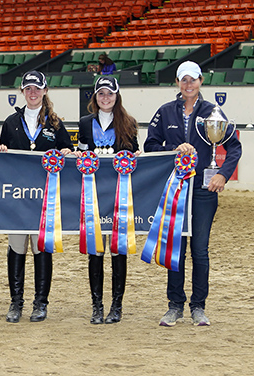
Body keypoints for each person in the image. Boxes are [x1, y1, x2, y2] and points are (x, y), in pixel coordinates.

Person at [144, 61, 242, 326]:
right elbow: (150, 145)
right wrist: (173, 148)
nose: (188, 84)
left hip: (203, 191)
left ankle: (198, 306)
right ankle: (174, 305)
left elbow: (234, 147)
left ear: (201, 81)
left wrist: (223, 173)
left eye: (193, 79)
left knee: (200, 250)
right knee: (175, 248)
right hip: (174, 191)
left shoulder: (213, 112)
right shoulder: (164, 112)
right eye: (183, 80)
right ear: (177, 82)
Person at [0, 70, 74, 323]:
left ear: (45, 90)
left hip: (44, 200)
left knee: (42, 249)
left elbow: (68, 151)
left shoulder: (55, 123)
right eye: (28, 88)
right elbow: (2, 158)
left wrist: (65, 150)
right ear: (22, 91)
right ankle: (15, 302)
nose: (32, 92)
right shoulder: (10, 122)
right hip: (17, 198)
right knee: (16, 248)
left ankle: (41, 303)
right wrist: (0, 151)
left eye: (37, 88)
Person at [76, 76, 140, 325]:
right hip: (93, 196)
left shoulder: (129, 123)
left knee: (118, 249)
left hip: (119, 197)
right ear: (95, 96)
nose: (105, 98)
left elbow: (135, 156)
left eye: (109, 94)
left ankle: (116, 305)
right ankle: (97, 305)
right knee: (95, 249)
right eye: (101, 93)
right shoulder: (84, 124)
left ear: (117, 96)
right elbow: (82, 155)